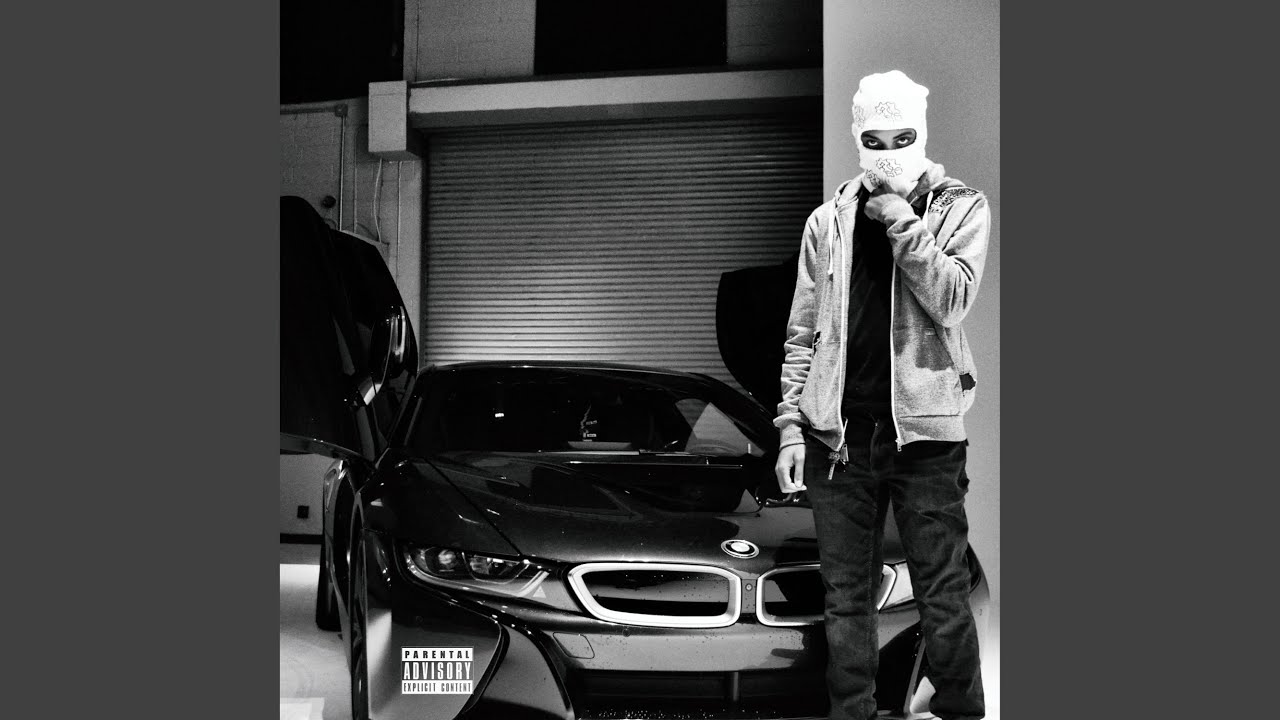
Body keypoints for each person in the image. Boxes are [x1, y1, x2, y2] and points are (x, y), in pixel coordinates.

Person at [773, 70, 990, 720]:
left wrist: (901, 219)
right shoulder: (828, 221)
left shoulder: (960, 207)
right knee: (846, 599)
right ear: (857, 136)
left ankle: (962, 712)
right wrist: (790, 428)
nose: (890, 151)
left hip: (926, 440)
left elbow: (952, 299)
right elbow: (802, 334)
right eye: (875, 139)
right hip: (838, 441)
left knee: (942, 591)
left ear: (920, 133)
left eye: (903, 137)